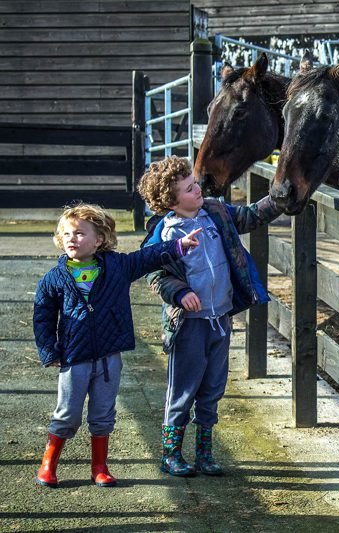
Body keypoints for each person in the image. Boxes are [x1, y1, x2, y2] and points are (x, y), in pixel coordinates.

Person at [33, 203, 201, 488]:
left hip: (109, 358)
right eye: (66, 234)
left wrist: (179, 245)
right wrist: (49, 350)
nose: (71, 238)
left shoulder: (118, 267)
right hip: (74, 357)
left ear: (99, 240)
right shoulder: (53, 279)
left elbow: (147, 257)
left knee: (103, 413)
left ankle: (99, 466)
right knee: (67, 413)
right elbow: (43, 318)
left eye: (79, 233)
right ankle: (48, 464)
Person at [137, 156, 281, 477]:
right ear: (172, 201)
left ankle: (205, 451)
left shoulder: (215, 213)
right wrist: (178, 292)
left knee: (213, 387)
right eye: (189, 189)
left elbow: (250, 215)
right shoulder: (165, 233)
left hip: (220, 319)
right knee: (183, 388)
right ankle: (171, 453)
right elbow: (154, 273)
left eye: (195, 183)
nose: (197, 189)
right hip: (189, 326)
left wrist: (279, 199)